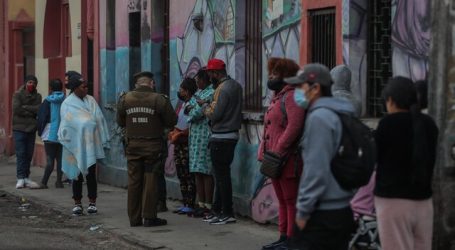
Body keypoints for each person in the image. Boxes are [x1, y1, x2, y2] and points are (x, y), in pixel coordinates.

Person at [286, 63, 356, 250]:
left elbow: (316, 171)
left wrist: (303, 212)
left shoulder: (320, 117)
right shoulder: (342, 112)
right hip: (342, 206)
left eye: (302, 87)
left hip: (322, 212)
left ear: (316, 88)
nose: (298, 92)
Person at [374, 77, 438, 250]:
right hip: (424, 202)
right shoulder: (429, 124)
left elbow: (375, 158)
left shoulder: (387, 124)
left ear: (391, 101)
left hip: (393, 202)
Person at [117, 71, 177, 227]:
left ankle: (134, 218)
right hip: (153, 148)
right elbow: (172, 120)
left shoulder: (125, 99)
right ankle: (149, 217)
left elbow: (120, 122)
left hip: (133, 147)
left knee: (134, 181)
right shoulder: (159, 99)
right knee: (150, 181)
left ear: (136, 84)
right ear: (152, 84)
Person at [258, 58, 305, 250]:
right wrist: (264, 152)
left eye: (275, 74)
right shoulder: (277, 96)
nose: (271, 77)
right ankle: (283, 237)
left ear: (286, 76)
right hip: (274, 160)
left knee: (290, 200)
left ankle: (292, 241)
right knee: (282, 200)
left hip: (287, 159)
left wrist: (279, 149)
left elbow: (294, 126)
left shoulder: (293, 96)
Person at [58, 71, 110, 216]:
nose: (86, 89)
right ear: (75, 88)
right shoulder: (67, 104)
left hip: (90, 143)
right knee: (76, 175)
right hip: (74, 146)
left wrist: (89, 123)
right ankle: (77, 203)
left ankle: (92, 202)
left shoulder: (91, 101)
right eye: (83, 86)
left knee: (91, 174)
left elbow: (98, 118)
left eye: (87, 86)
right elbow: (67, 123)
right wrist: (86, 122)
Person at [199, 58, 242, 225]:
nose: (209, 76)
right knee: (220, 175)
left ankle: (226, 212)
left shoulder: (222, 89)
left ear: (215, 73)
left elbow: (215, 114)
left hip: (222, 136)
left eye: (210, 73)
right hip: (229, 135)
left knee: (222, 177)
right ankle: (217, 211)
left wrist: (204, 107)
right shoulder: (235, 86)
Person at [187, 68, 215, 217]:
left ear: (205, 80)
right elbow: (188, 107)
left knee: (205, 171)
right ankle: (201, 203)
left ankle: (208, 205)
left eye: (198, 80)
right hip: (195, 138)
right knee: (197, 170)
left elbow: (196, 113)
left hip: (204, 137)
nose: (197, 83)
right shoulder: (199, 94)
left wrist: (194, 108)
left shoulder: (211, 92)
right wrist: (194, 107)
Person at [169, 78, 198, 215]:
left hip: (186, 143)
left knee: (188, 174)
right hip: (178, 142)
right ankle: (185, 202)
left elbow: (191, 126)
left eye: (181, 89)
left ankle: (191, 203)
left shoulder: (192, 104)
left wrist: (180, 134)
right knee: (181, 173)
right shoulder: (183, 104)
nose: (179, 92)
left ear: (187, 91)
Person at [12, 75, 42, 189]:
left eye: (34, 83)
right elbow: (17, 109)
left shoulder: (38, 96)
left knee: (29, 154)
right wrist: (31, 110)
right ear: (25, 83)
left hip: (31, 129)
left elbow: (39, 109)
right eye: (29, 82)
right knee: (21, 153)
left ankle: (26, 177)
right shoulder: (17, 94)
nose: (31, 85)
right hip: (19, 129)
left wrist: (25, 107)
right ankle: (20, 177)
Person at [37, 79, 65, 188]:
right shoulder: (65, 100)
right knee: (60, 159)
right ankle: (59, 182)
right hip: (62, 132)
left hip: (49, 133)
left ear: (51, 89)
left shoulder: (47, 101)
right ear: (61, 88)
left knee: (50, 159)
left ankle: (44, 182)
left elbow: (41, 118)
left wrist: (40, 131)